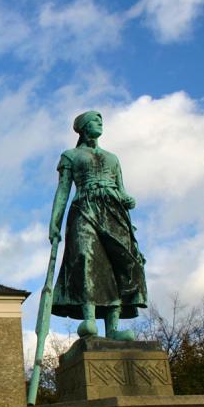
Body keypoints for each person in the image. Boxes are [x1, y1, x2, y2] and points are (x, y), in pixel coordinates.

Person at [49, 111, 147, 339]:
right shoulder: (70, 156)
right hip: (84, 208)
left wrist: (128, 198)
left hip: (114, 212)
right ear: (83, 127)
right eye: (95, 121)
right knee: (86, 258)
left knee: (117, 264)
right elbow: (63, 191)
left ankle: (112, 328)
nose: (100, 124)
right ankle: (89, 319)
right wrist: (54, 222)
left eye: (102, 121)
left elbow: (121, 189)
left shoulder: (112, 158)